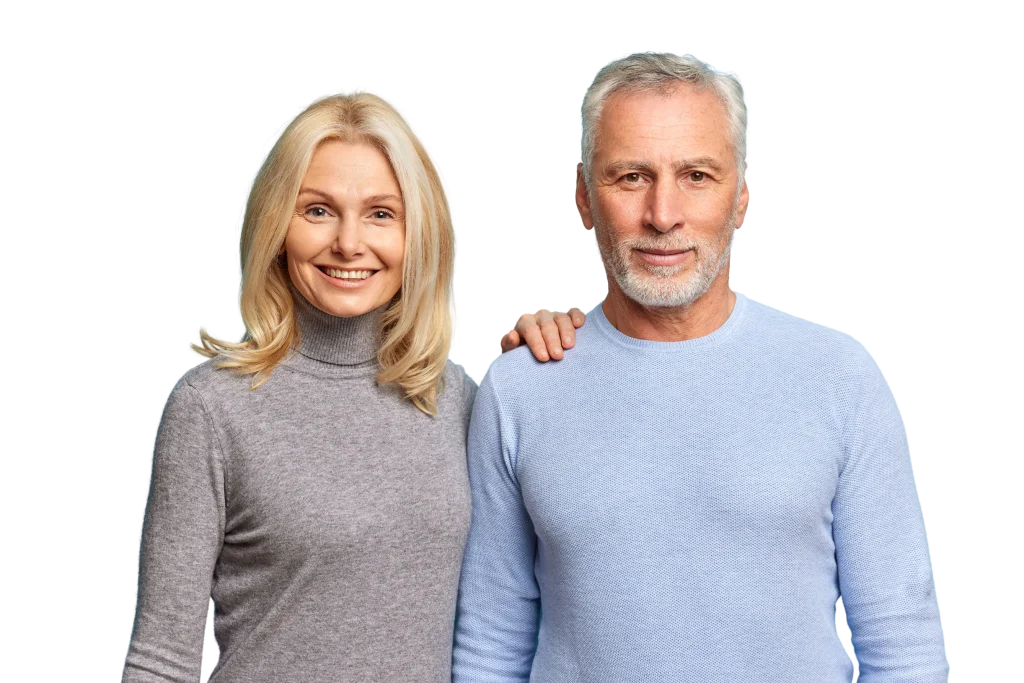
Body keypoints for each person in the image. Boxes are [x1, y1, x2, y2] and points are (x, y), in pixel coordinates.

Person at [453, 53, 949, 682]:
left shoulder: (841, 377)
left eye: (696, 175)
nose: (663, 215)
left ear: (741, 195)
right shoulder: (519, 383)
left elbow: (902, 642)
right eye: (631, 176)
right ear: (582, 198)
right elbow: (491, 647)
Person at [122, 93, 575, 683]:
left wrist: (545, 365)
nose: (349, 243)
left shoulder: (454, 396)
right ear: (277, 226)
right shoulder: (215, 409)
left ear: (419, 233)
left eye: (382, 214)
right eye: (317, 211)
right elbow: (164, 659)